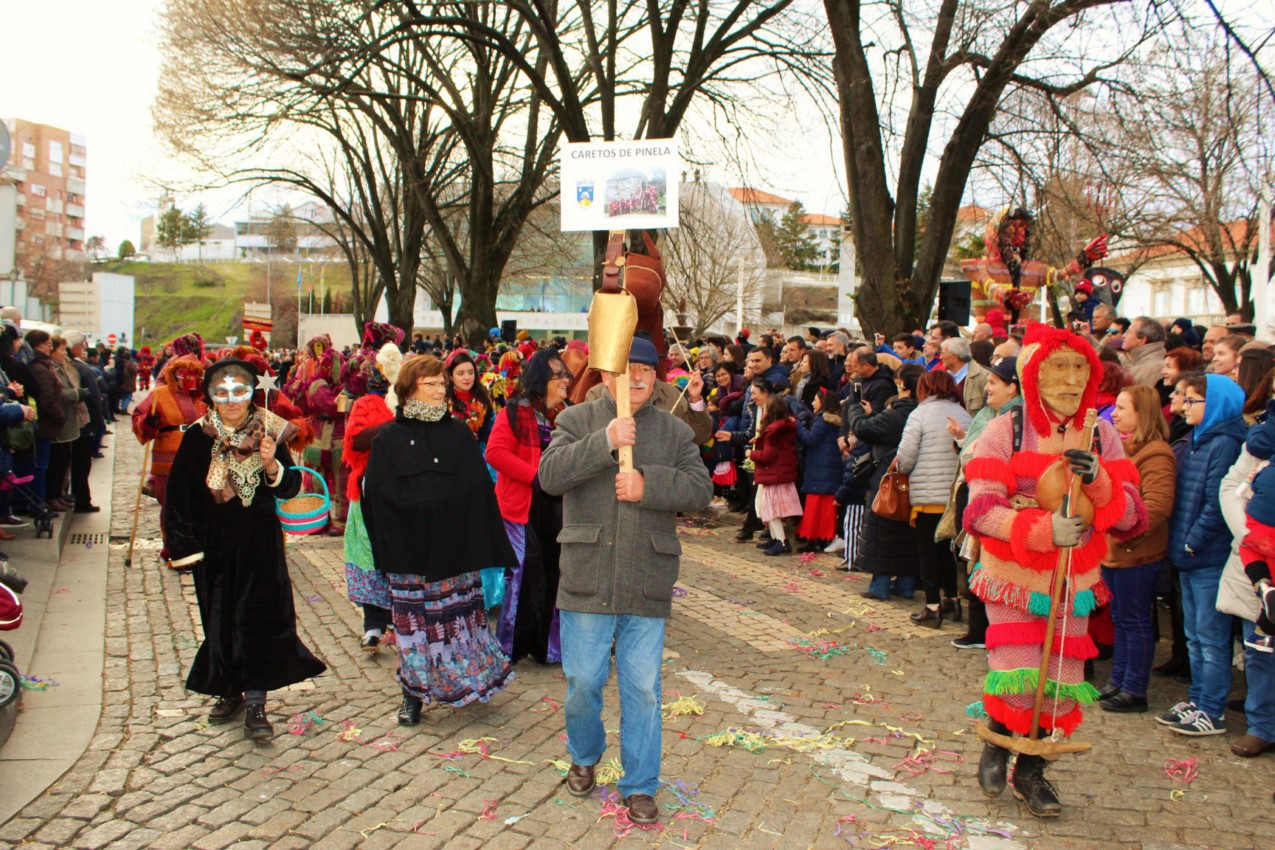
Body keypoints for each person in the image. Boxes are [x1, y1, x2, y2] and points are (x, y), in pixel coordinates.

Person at [965, 324, 1146, 817]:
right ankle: (999, 741)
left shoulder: (1103, 433)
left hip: (1075, 582)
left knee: (1060, 681)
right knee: (1019, 673)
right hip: (1014, 577)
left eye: (1079, 368)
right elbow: (979, 510)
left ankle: (1032, 771)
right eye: (1057, 368)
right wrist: (1042, 531)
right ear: (1033, 375)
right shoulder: (1007, 428)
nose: (1069, 380)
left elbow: (1132, 516)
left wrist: (1103, 484)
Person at [538, 336, 712, 824]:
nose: (636, 378)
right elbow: (550, 477)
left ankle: (639, 784)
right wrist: (606, 442)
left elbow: (701, 488)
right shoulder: (576, 420)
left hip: (646, 577)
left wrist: (649, 485)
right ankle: (585, 753)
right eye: (627, 369)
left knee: (643, 689)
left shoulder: (675, 431)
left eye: (647, 371)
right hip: (588, 575)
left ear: (656, 378)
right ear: (607, 374)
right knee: (583, 682)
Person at [162, 359, 325, 740]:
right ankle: (228, 690)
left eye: (240, 392)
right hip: (213, 544)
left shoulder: (268, 432)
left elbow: (287, 490)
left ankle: (256, 702)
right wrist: (184, 545)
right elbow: (179, 497)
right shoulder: (198, 437)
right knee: (218, 619)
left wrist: (271, 465)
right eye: (222, 392)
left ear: (253, 392)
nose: (232, 401)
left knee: (258, 618)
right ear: (210, 395)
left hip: (259, 542)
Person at [362, 354, 515, 724]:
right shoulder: (388, 438)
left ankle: (469, 683)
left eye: (441, 384)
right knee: (413, 628)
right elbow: (376, 498)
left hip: (454, 549)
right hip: (409, 552)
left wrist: (474, 536)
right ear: (410, 388)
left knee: (459, 622)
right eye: (430, 384)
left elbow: (478, 489)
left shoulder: (459, 433)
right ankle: (412, 695)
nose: (439, 390)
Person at [1161, 373, 1245, 736]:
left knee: (1211, 638)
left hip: (1206, 555)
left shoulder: (1224, 443)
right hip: (1187, 553)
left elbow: (1216, 504)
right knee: (1194, 634)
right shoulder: (1196, 439)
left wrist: (1192, 541)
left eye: (1194, 400)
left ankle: (1213, 708)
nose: (1186, 405)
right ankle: (1197, 699)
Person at [486, 349, 571, 664]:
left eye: (565, 375)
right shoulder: (514, 411)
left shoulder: (568, 412)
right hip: (522, 505)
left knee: (555, 573)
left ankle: (549, 647)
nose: (566, 380)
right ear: (541, 379)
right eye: (559, 375)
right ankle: (511, 646)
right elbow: (495, 453)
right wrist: (536, 477)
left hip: (558, 507)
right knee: (525, 571)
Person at [1098, 385, 1176, 712]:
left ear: (1141, 414)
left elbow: (1157, 507)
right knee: (1120, 617)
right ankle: (1118, 679)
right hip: (1115, 550)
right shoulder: (1126, 450)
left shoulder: (1156, 453)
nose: (1114, 414)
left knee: (1135, 620)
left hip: (1136, 551)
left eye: (1122, 409)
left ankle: (1134, 688)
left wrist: (1127, 534)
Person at [945, 356, 1022, 649]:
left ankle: (991, 634)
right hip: (972, 492)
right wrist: (963, 438)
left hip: (998, 506)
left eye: (993, 382)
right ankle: (979, 631)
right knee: (974, 563)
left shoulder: (1015, 421)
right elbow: (974, 450)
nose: (986, 388)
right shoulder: (989, 415)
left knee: (990, 568)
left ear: (1012, 387)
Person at [1216, 430, 1275, 760]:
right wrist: (1254, 536)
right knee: (1260, 649)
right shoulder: (1263, 440)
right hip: (1257, 554)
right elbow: (1230, 487)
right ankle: (1262, 726)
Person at [896, 371, 970, 626]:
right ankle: (952, 601)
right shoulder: (963, 413)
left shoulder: (920, 414)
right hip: (954, 496)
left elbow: (906, 457)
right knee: (947, 552)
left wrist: (903, 470)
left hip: (928, 495)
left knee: (927, 553)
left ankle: (932, 607)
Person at [341, 343, 401, 653]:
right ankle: (373, 625)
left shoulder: (409, 401)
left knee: (396, 558)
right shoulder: (366, 403)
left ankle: (398, 619)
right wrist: (395, 422)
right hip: (368, 490)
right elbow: (357, 440)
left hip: (402, 493)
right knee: (370, 557)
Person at [844, 364, 923, 597]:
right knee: (907, 537)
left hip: (887, 480)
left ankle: (880, 587)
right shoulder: (919, 412)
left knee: (882, 534)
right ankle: (906, 586)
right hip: (914, 482)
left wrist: (854, 409)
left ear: (905, 388)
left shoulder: (900, 413)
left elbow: (863, 429)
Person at [131, 355, 208, 561]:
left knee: (198, 502)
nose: (189, 378)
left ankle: (197, 543)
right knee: (171, 503)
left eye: (195, 374)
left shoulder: (204, 397)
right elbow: (139, 419)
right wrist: (149, 422)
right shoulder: (159, 395)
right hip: (168, 457)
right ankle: (173, 546)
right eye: (183, 373)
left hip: (200, 457)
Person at [748, 395, 803, 556]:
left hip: (774, 474)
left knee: (772, 510)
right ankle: (776, 538)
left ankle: (780, 541)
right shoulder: (785, 426)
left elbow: (767, 455)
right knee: (772, 509)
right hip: (780, 474)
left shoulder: (774, 430)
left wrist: (751, 453)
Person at [795, 390, 843, 553]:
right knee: (825, 510)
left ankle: (814, 539)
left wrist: (798, 425)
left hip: (820, 471)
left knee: (815, 509)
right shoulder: (833, 421)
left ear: (822, 402)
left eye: (815, 400)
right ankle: (821, 539)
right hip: (827, 472)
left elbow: (811, 439)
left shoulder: (822, 420)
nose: (813, 404)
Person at [939, 338, 987, 414]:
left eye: (943, 353)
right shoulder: (942, 378)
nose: (940, 357)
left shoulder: (983, 377)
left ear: (954, 357)